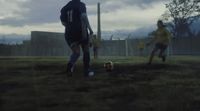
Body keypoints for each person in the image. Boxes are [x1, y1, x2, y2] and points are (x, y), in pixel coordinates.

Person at [60, 0, 94, 77]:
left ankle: (70, 67)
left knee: (76, 52)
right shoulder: (81, 5)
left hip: (69, 33)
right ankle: (87, 71)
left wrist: (71, 27)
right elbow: (84, 16)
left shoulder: (65, 7)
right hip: (81, 31)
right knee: (86, 49)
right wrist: (90, 30)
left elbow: (63, 22)